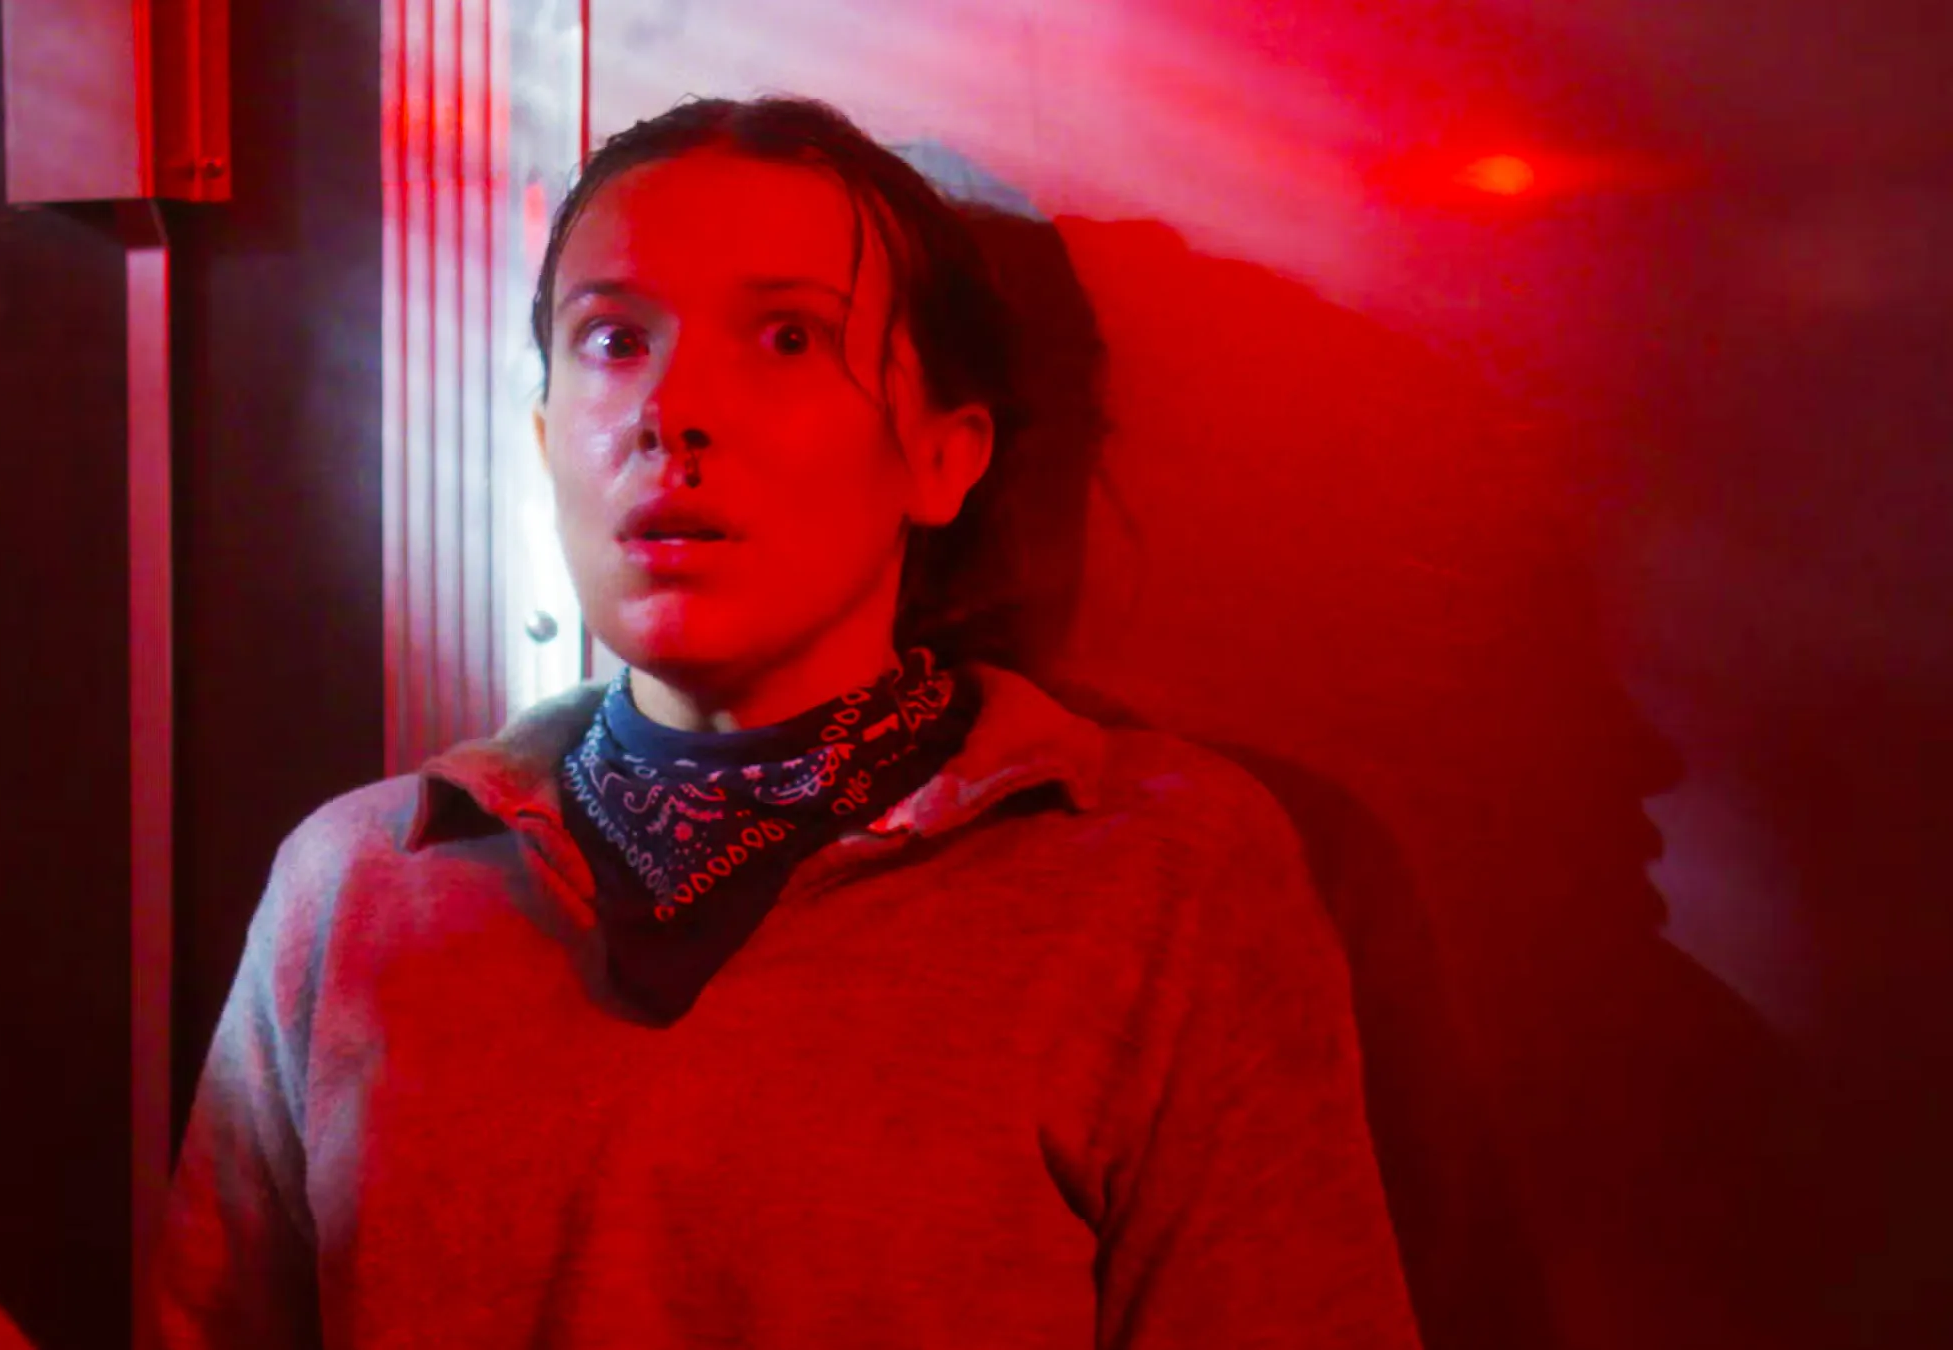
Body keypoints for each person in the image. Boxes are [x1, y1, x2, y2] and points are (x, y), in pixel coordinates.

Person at [155, 95, 1420, 1349]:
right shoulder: (362, 890)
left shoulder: (1157, 883)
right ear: (546, 441)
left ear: (943, 454)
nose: (672, 410)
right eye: (614, 339)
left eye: (788, 338)